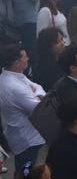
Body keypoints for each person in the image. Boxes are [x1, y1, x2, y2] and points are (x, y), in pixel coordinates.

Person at [0, 42, 46, 171]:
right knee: (26, 174)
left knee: (22, 172)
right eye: (24, 57)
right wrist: (38, 95)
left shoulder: (11, 77)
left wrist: (36, 93)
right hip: (27, 139)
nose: (28, 59)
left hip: (21, 135)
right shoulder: (15, 86)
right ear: (16, 62)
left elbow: (38, 87)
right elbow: (39, 107)